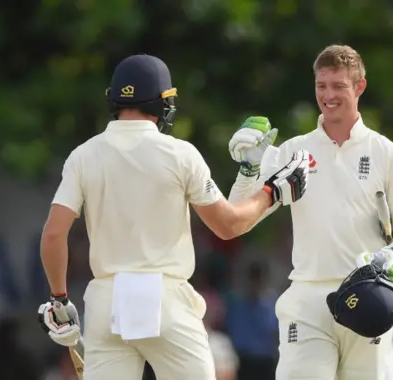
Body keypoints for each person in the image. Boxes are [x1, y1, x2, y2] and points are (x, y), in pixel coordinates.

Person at [36, 53, 310, 380]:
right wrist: (273, 192)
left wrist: (59, 299)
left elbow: (54, 235)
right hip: (165, 301)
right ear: (160, 101)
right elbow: (229, 225)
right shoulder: (179, 154)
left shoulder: (83, 156)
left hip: (106, 304)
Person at [227, 44, 393, 380]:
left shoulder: (390, 156)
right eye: (321, 86)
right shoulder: (293, 152)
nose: (328, 96)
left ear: (359, 87)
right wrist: (249, 168)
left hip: (369, 294)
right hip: (309, 298)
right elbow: (239, 217)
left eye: (339, 86)